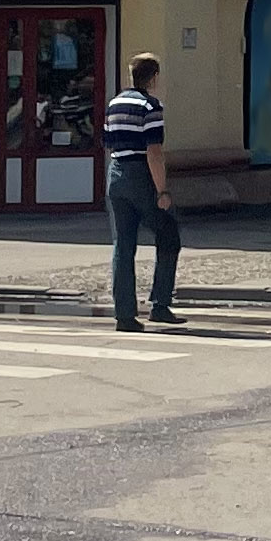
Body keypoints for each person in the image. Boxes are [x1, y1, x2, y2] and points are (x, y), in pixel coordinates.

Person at [103, 54, 186, 332]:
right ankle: (160, 304)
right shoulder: (151, 106)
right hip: (141, 175)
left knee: (123, 245)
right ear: (154, 77)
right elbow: (154, 152)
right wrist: (162, 191)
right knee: (168, 234)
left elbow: (108, 142)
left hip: (116, 173)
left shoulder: (114, 104)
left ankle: (124, 315)